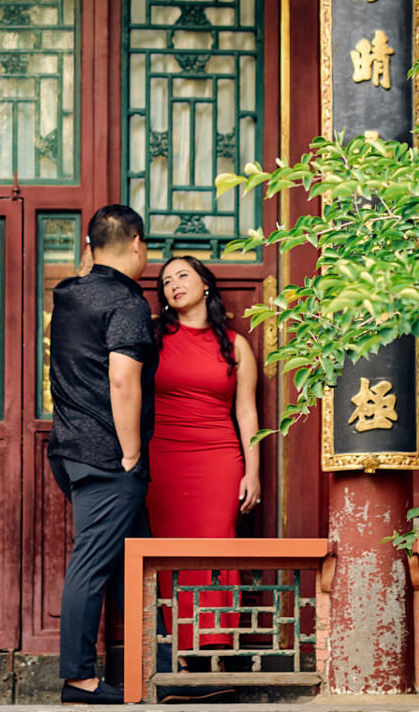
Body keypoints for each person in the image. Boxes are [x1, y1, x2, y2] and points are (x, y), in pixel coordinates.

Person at [47, 205, 153, 704]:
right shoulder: (127, 302)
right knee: (93, 562)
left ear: (89, 248)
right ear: (137, 244)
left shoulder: (68, 294)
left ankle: (150, 668)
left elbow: (84, 273)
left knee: (135, 560)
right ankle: (80, 679)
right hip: (108, 456)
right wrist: (131, 453)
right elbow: (122, 378)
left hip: (69, 450)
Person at [146, 255, 261, 662]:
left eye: (182, 276)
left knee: (217, 547)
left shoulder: (235, 345)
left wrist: (254, 472)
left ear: (205, 285)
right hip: (164, 458)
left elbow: (247, 412)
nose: (173, 284)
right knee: (170, 551)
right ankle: (176, 650)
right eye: (165, 281)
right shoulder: (152, 338)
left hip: (218, 457)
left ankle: (215, 648)